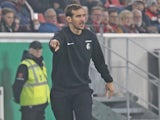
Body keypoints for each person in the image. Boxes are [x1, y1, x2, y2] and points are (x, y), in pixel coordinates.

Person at [49, 4, 114, 120]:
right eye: (78, 16)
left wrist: (108, 80)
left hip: (82, 90)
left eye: (84, 15)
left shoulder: (90, 37)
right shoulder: (62, 35)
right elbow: (56, 41)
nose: (83, 19)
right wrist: (54, 43)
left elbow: (99, 61)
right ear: (69, 19)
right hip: (61, 92)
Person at [12, 41, 50, 120]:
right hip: (29, 105)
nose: (38, 51)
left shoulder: (41, 63)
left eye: (40, 49)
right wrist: (17, 98)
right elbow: (17, 85)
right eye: (35, 49)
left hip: (41, 105)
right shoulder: (25, 65)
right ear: (30, 50)